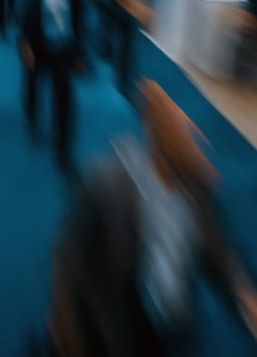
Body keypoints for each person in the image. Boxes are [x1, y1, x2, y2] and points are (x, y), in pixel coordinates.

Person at [48, 80, 257, 355]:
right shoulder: (106, 186)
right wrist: (65, 328)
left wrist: (243, 295)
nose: (197, 146)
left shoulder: (195, 189)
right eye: (185, 133)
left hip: (169, 328)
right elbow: (69, 260)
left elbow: (216, 251)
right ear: (159, 135)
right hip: (116, 332)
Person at [19, 0, 82, 167]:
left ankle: (62, 145)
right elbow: (26, 19)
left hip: (62, 48)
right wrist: (26, 46)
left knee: (64, 94)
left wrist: (78, 52)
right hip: (39, 46)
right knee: (33, 83)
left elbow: (79, 20)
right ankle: (31, 116)